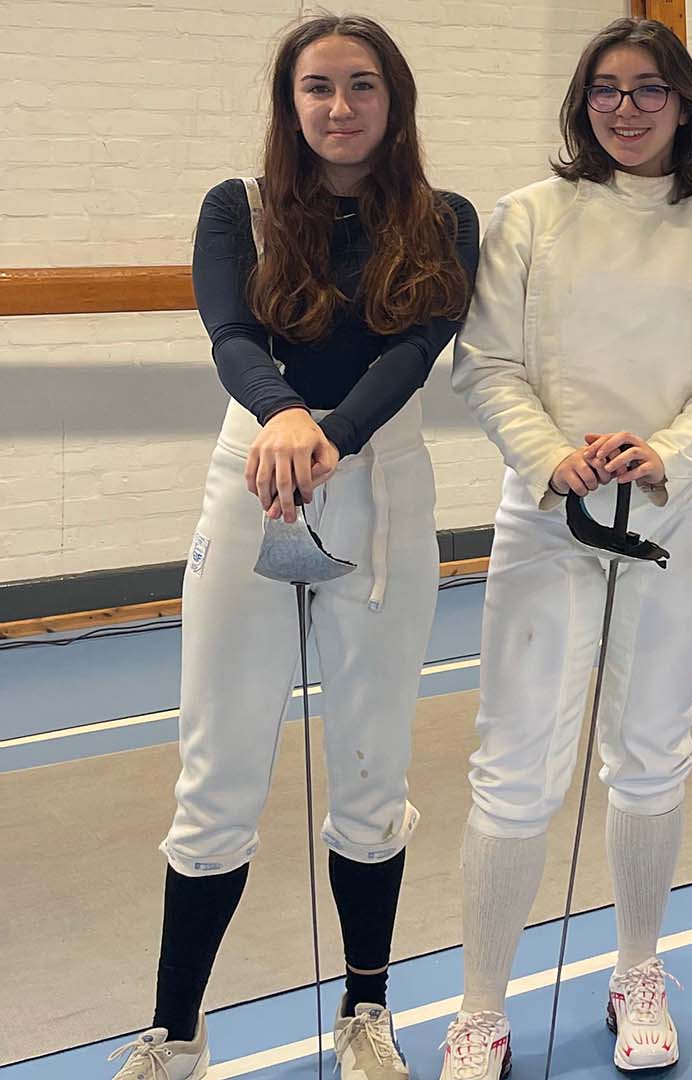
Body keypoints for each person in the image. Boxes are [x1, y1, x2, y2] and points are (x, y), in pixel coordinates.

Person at [111, 15, 477, 1080]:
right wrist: (281, 414)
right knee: (218, 771)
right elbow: (229, 331)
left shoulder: (444, 219)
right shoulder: (241, 208)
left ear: (393, 101)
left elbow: (417, 348)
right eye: (317, 87)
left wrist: (334, 432)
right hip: (256, 476)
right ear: (290, 102)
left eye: (362, 86)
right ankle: (175, 1031)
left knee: (371, 764)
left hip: (381, 486)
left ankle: (366, 1013)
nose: (339, 107)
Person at [437, 17, 692, 1079]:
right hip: (548, 518)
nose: (626, 109)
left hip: (678, 515)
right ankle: (481, 1006)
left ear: (685, 103)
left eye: (649, 89)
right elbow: (486, 361)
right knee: (516, 763)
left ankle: (636, 969)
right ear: (583, 105)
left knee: (651, 750)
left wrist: (662, 452)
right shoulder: (528, 219)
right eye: (607, 92)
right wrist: (553, 457)